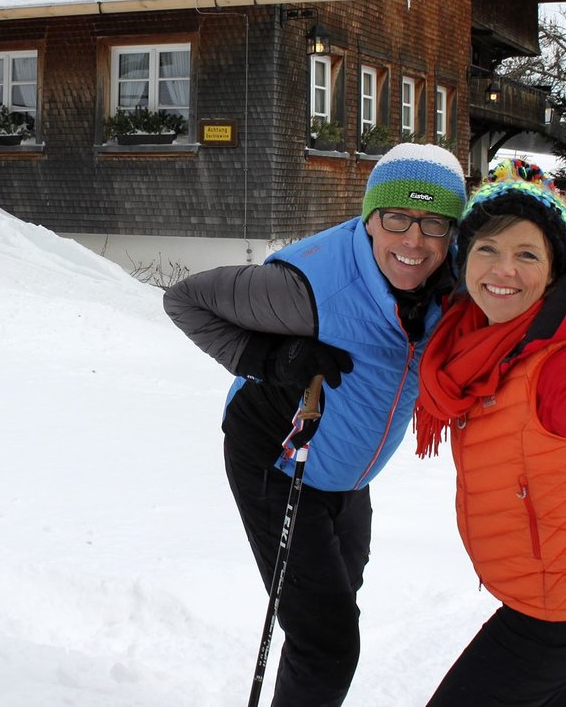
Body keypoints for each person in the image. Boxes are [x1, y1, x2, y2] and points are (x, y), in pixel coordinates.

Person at [163, 143, 468, 707]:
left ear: (453, 233)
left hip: (346, 471)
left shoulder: (453, 282)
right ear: (369, 219)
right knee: (327, 641)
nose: (413, 240)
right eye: (396, 218)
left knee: (334, 602)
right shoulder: (307, 289)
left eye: (433, 223)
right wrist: (274, 360)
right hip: (279, 459)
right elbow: (186, 300)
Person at [415, 159, 566, 706]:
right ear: (464, 259)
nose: (503, 269)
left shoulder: (564, 351)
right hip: (556, 586)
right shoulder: (471, 337)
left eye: (527, 254)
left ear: (554, 270)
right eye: (487, 249)